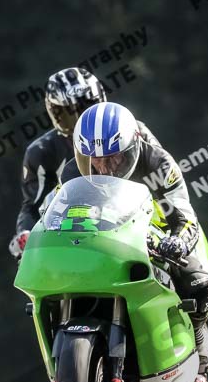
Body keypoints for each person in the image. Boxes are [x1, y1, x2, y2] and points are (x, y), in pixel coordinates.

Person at [66, 101, 208, 382]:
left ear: (132, 148)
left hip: (157, 234)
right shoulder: (72, 171)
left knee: (199, 282)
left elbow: (185, 216)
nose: (103, 167)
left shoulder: (159, 163)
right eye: (94, 159)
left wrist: (177, 242)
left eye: (113, 158)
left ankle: (199, 344)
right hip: (100, 240)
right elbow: (58, 211)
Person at [9, 67, 160, 259]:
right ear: (54, 114)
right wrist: (26, 234)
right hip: (74, 236)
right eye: (67, 113)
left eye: (87, 106)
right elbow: (33, 206)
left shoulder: (134, 130)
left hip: (138, 225)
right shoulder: (41, 152)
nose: (81, 119)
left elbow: (164, 177)